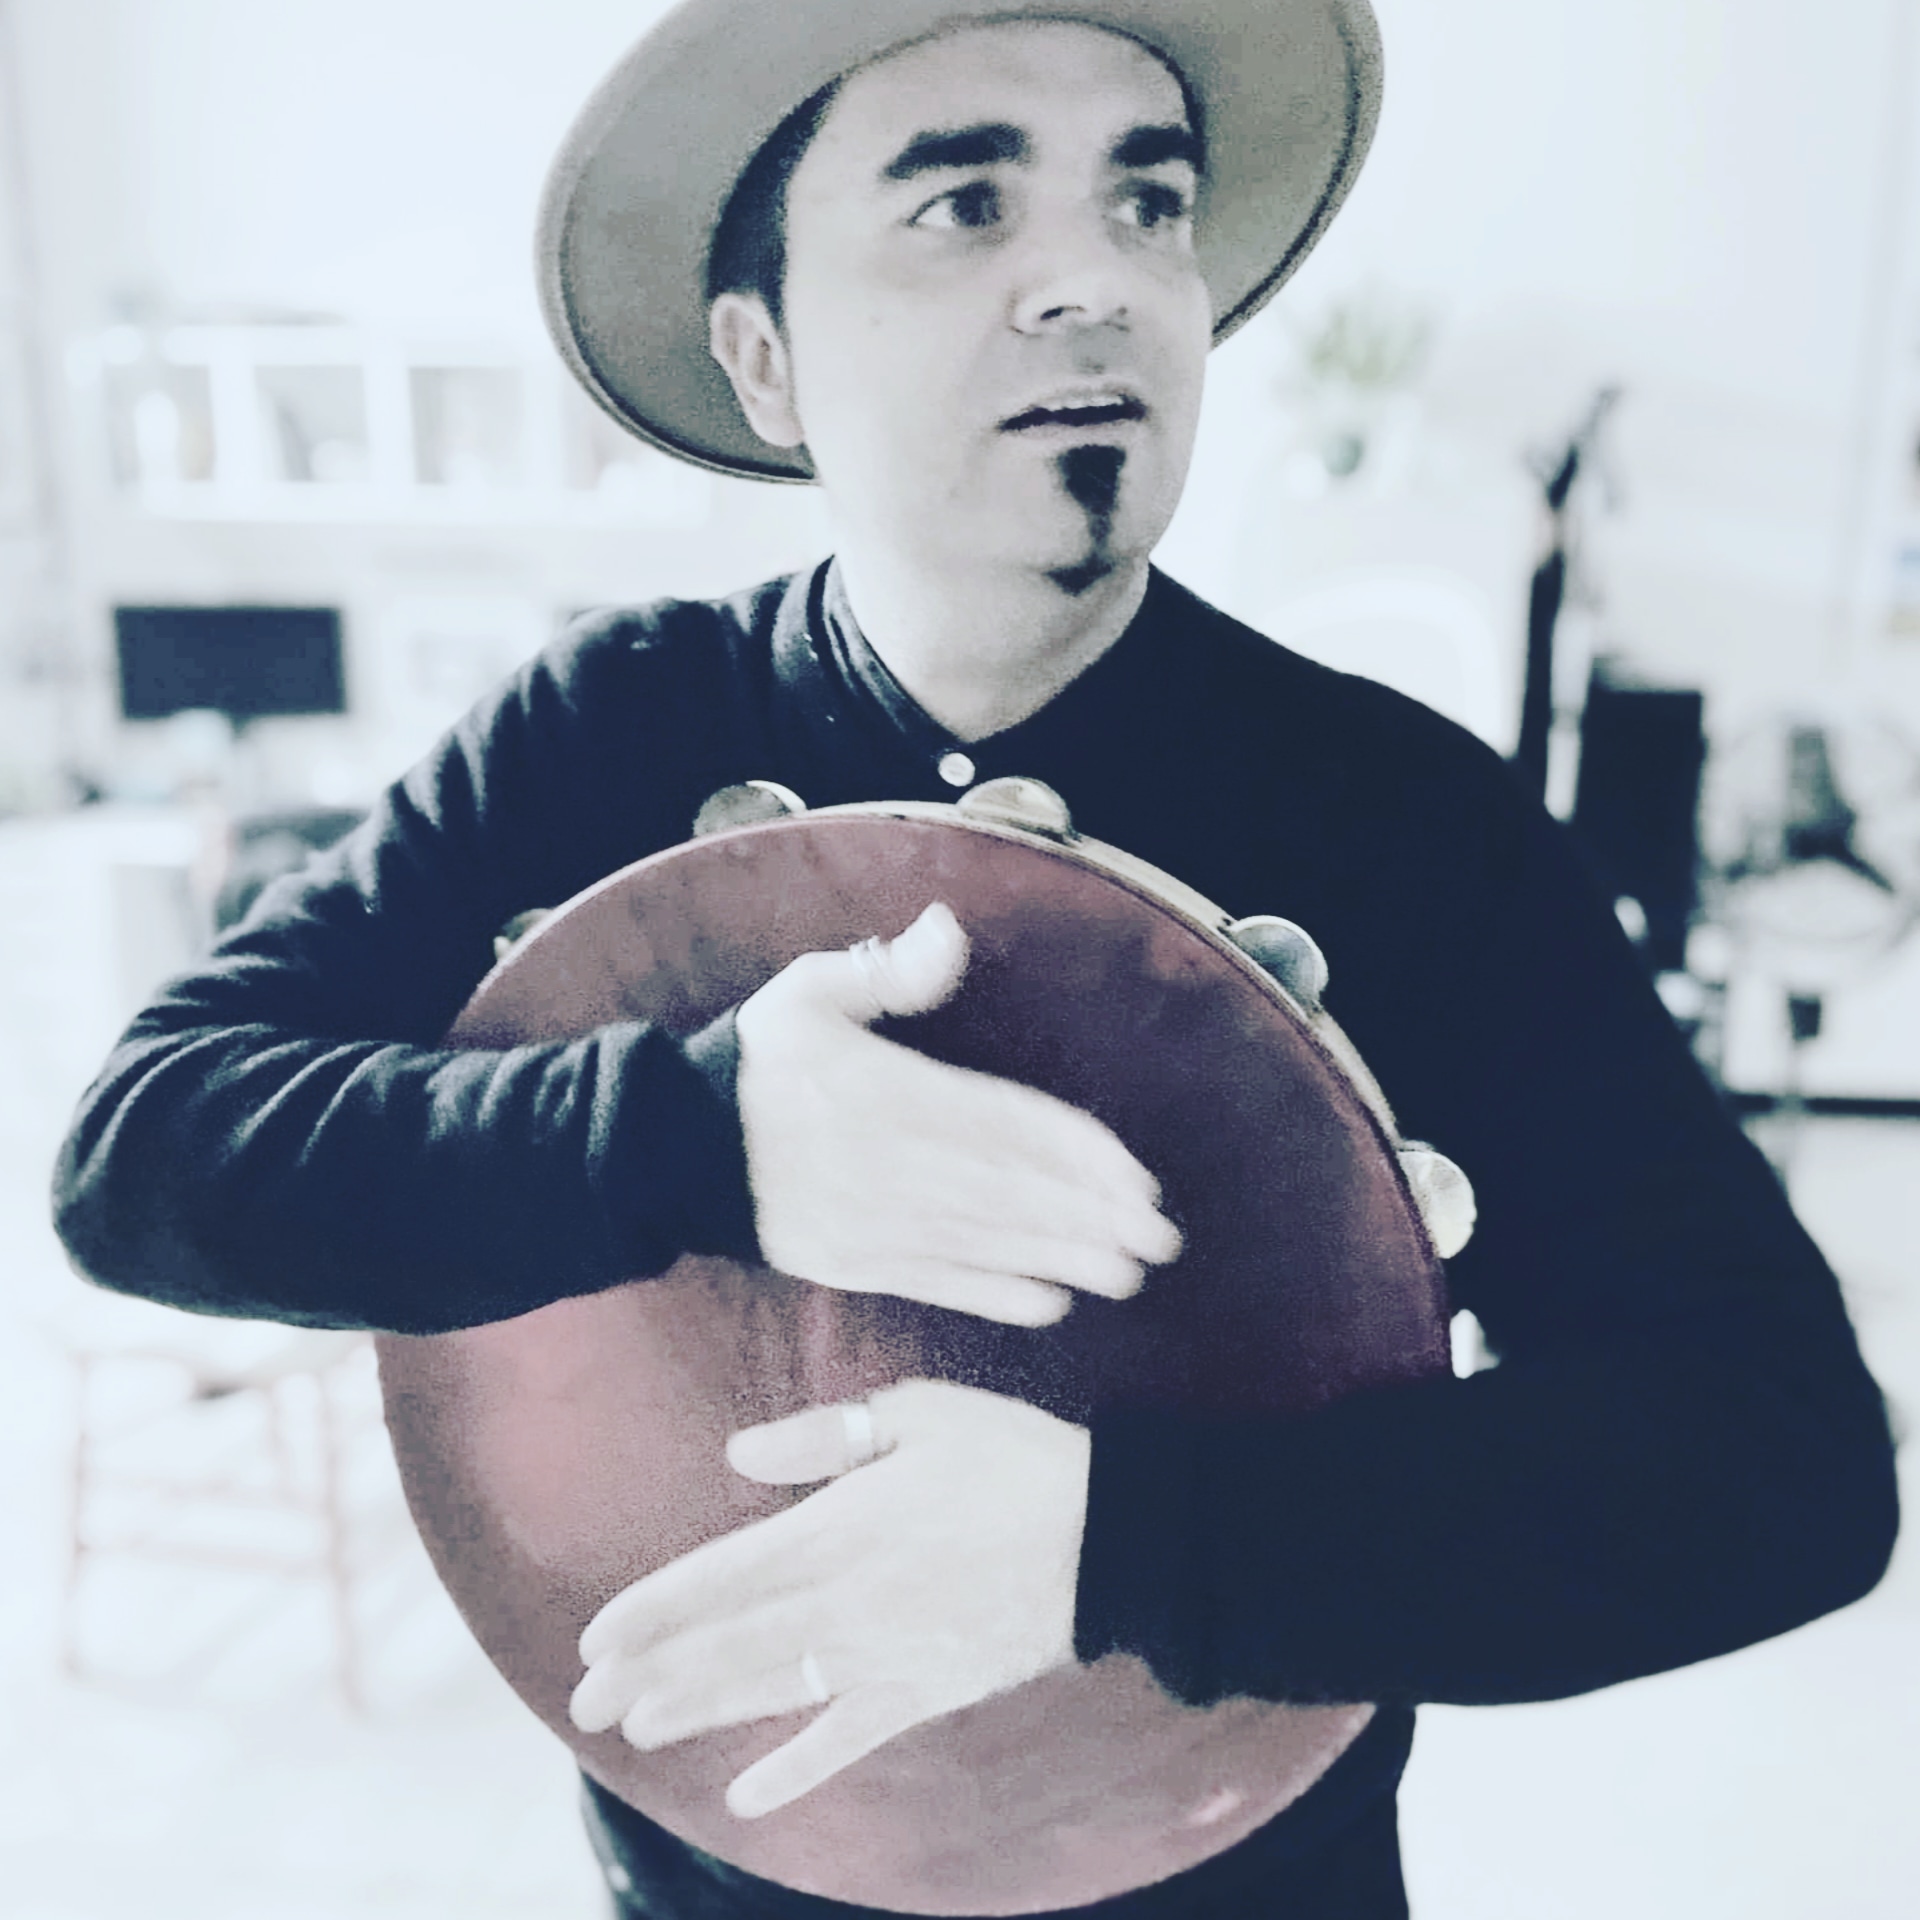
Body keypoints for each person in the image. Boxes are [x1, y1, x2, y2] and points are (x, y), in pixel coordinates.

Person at [53, 3, 1898, 1915]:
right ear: (766, 360)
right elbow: (148, 1152)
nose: (1095, 282)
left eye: (1147, 202)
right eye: (965, 205)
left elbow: (1782, 1468)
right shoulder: (604, 731)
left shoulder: (1403, 818)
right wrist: (704, 1137)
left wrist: (1112, 1548)